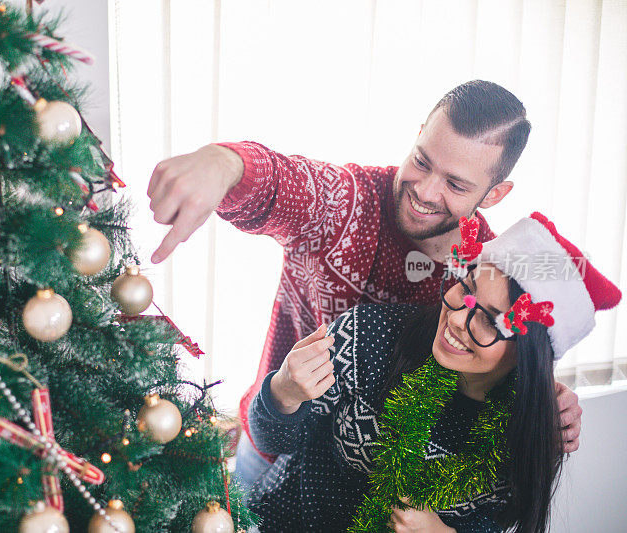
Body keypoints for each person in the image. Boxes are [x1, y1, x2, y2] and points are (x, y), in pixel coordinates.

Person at [145, 80, 584, 488]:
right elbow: (288, 183)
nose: (426, 191)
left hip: (361, 485)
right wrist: (223, 164)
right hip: (271, 435)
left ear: (495, 194)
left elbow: (500, 374)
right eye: (422, 161)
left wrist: (549, 402)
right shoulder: (348, 202)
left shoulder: (489, 274)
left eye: (455, 183)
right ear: (417, 136)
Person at [246, 213, 621, 532]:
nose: (457, 319)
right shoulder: (370, 335)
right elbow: (272, 441)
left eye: (490, 321)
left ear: (528, 356)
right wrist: (283, 392)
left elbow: (498, 521)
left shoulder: (531, 432)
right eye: (466, 289)